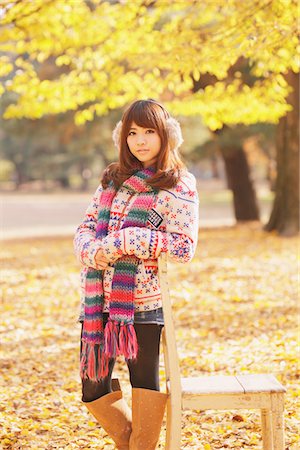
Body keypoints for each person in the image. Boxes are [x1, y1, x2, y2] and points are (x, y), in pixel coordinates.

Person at [73, 98, 199, 450]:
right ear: (122, 137)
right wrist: (91, 250)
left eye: (148, 132)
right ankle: (134, 445)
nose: (140, 140)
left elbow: (183, 247)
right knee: (92, 385)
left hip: (142, 304)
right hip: (99, 303)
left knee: (144, 383)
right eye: (132, 133)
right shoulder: (111, 180)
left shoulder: (178, 184)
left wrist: (131, 239)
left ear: (165, 136)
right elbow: (85, 228)